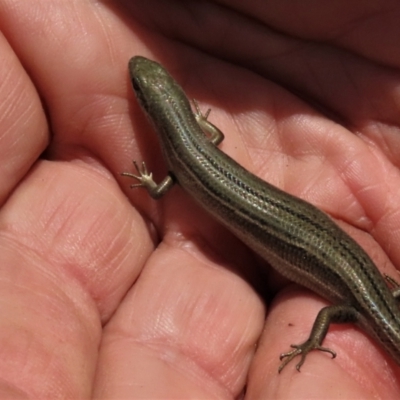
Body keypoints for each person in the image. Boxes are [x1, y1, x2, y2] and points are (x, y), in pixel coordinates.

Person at [1, 1, 399, 398]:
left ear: (157, 105)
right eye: (142, 88)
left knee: (335, 312)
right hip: (341, 263)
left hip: (347, 288)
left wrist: (145, 178)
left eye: (141, 89)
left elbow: (161, 187)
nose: (136, 82)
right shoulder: (192, 146)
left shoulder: (178, 158)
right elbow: (215, 139)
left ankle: (313, 341)